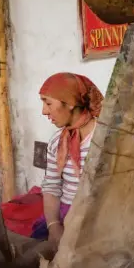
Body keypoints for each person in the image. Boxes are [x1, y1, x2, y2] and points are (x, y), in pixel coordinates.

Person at [32, 72, 103, 245]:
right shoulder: (57, 142)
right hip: (66, 214)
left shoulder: (104, 140)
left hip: (99, 220)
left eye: (48, 103)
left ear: (71, 103)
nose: (44, 111)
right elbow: (52, 186)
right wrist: (54, 226)